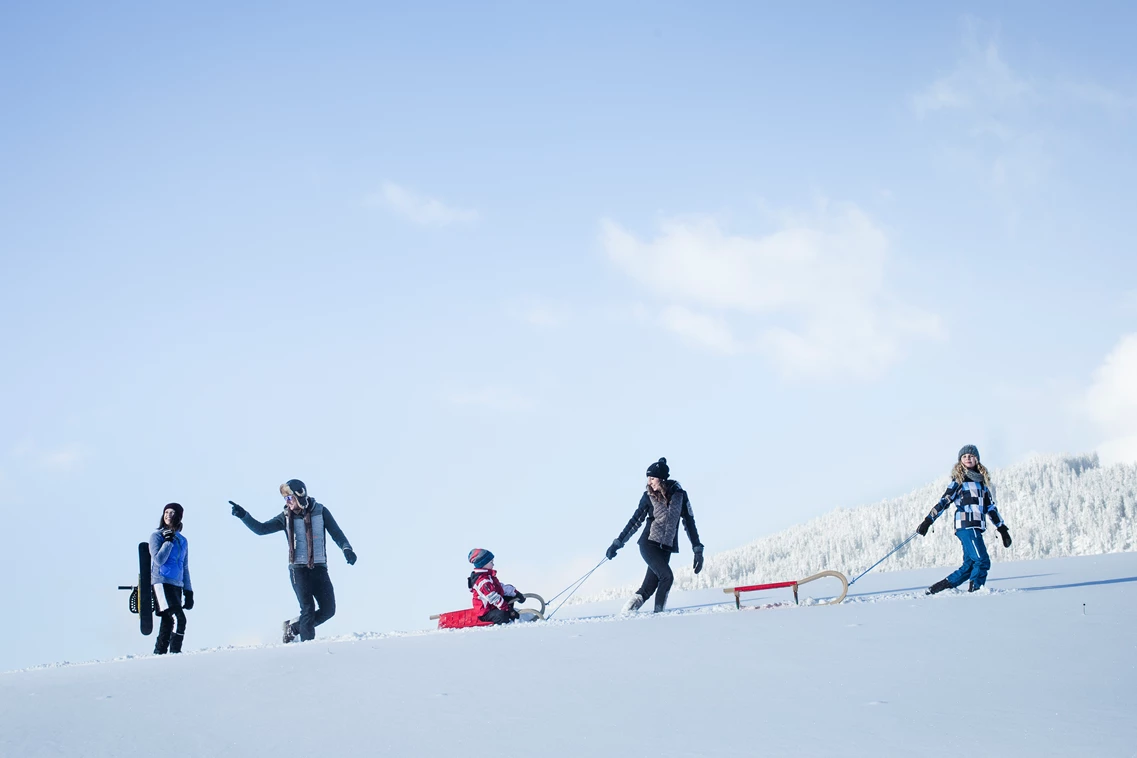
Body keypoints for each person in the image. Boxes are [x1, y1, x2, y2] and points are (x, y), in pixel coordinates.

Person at [229, 479, 357, 642]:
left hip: (319, 569)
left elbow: (336, 533)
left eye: (290, 498)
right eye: (285, 499)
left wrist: (347, 549)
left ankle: (293, 628)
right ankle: (307, 648)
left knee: (328, 610)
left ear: (300, 496)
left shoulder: (321, 511)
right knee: (308, 610)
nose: (287, 502)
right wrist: (244, 516)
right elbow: (261, 529)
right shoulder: (285, 517)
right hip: (298, 570)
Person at [605, 457, 704, 613]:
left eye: (652, 478)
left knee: (649, 587)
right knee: (667, 577)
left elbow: (690, 524)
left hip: (666, 547)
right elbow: (634, 522)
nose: (649, 482)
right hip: (649, 544)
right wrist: (617, 543)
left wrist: (697, 549)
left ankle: (626, 613)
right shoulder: (648, 497)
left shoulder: (680, 497)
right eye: (648, 478)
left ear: (662, 479)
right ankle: (659, 616)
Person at [917, 445, 1013, 594]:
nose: (968, 458)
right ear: (960, 461)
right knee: (982, 561)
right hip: (966, 526)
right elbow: (944, 501)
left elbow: (990, 508)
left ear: (977, 459)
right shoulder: (959, 482)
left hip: (976, 527)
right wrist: (928, 521)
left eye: (971, 456)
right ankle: (976, 592)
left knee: (969, 566)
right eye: (964, 456)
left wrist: (1002, 529)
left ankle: (937, 589)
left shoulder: (982, 484)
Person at [150, 502, 193, 655]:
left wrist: (188, 591)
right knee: (179, 618)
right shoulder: (157, 536)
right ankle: (176, 653)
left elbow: (185, 567)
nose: (168, 515)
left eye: (172, 512)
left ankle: (159, 654)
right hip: (161, 582)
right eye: (166, 512)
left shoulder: (183, 540)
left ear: (178, 516)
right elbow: (158, 559)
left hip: (177, 585)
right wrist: (167, 542)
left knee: (168, 622)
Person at [467, 548, 525, 624]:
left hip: (492, 606)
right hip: (485, 612)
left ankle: (509, 615)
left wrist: (515, 593)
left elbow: (499, 587)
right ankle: (503, 625)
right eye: (491, 562)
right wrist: (508, 609)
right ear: (483, 564)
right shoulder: (483, 582)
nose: (493, 564)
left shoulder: (488, 576)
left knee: (509, 597)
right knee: (502, 615)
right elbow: (493, 597)